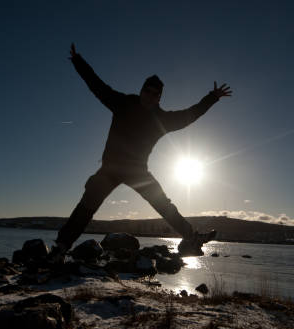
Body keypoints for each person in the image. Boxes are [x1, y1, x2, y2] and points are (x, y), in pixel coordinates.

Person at [50, 43, 232, 262]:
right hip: (110, 169)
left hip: (138, 172)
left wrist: (211, 97)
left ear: (159, 98)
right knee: (87, 206)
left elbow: (189, 115)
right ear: (142, 89)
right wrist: (78, 61)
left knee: (164, 205)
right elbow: (96, 86)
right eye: (148, 90)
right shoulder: (122, 103)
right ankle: (60, 248)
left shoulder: (161, 119)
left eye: (155, 93)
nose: (150, 95)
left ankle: (192, 237)